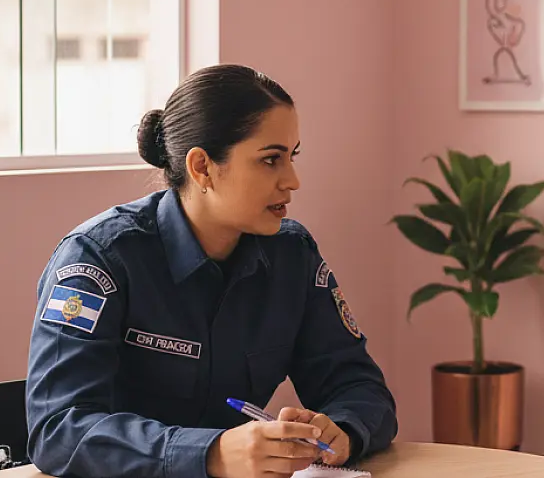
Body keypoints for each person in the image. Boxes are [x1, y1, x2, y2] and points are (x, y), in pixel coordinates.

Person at [25, 64, 398, 478]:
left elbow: (360, 386)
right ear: (202, 167)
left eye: (292, 157)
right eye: (270, 160)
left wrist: (342, 428)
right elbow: (58, 431)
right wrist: (211, 452)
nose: (292, 180)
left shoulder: (293, 256)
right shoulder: (99, 260)